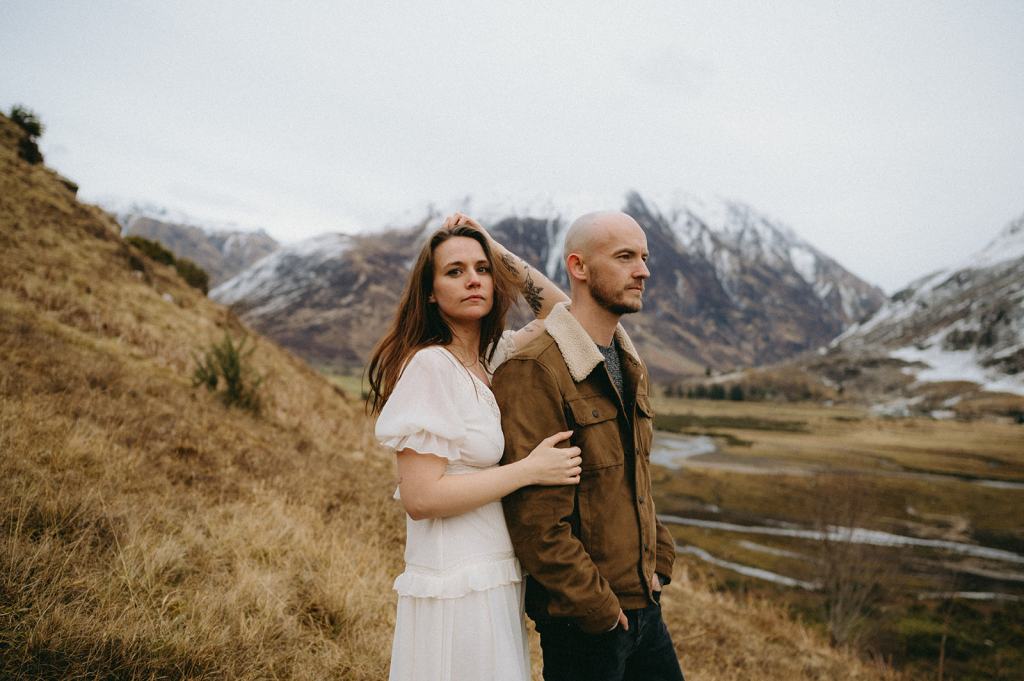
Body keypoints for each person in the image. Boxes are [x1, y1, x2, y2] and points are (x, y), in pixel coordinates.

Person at [367, 213, 577, 681]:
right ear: (430, 291)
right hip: (455, 582)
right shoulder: (430, 366)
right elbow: (421, 498)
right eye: (454, 271)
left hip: (493, 573)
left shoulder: (489, 360)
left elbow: (562, 312)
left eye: (482, 269)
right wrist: (529, 470)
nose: (473, 280)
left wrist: (494, 247)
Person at [492, 211, 685, 681]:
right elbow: (535, 518)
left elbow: (632, 476)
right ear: (578, 267)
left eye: (644, 257)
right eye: (625, 257)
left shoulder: (626, 359)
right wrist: (596, 607)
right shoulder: (537, 369)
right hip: (586, 622)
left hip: (644, 604)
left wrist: (658, 561)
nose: (643, 270)